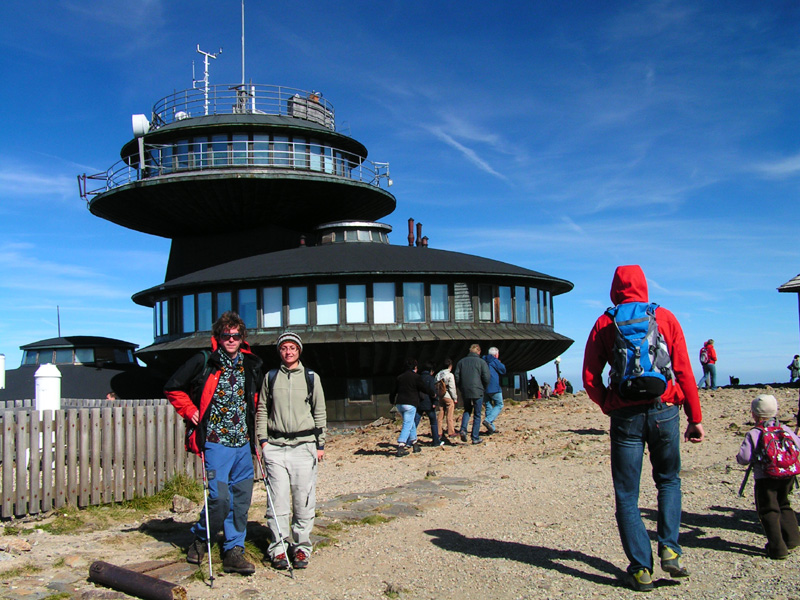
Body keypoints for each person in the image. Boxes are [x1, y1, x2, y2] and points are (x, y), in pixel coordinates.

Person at [582, 265, 704, 592]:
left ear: (614, 289)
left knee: (627, 494)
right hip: (665, 409)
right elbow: (684, 370)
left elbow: (590, 377)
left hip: (625, 415)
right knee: (668, 479)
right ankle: (670, 548)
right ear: (644, 285)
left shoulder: (605, 322)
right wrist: (695, 417)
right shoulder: (664, 317)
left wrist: (608, 403)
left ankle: (640, 569)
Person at [164, 311, 263, 575]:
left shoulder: (250, 364)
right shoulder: (205, 360)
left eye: (236, 335)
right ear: (217, 336)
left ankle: (234, 551)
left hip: (242, 444)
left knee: (241, 500)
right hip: (215, 442)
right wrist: (189, 410)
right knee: (219, 499)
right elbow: (173, 387)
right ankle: (201, 536)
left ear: (242, 337)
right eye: (226, 335)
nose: (231, 339)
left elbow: (254, 402)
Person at [256, 332, 326, 570]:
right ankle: (278, 549)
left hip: (304, 446)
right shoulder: (271, 377)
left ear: (299, 351)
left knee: (303, 499)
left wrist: (320, 444)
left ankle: (301, 548)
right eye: (284, 348)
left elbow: (319, 411)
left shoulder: (311, 377)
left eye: (292, 348)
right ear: (279, 351)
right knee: (277, 501)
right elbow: (263, 408)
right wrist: (263, 441)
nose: (288, 352)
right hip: (275, 447)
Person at [736, 394, 800, 559]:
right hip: (788, 475)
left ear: (754, 414)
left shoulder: (755, 433)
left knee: (768, 510)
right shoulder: (784, 429)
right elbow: (797, 444)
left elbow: (744, 458)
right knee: (784, 504)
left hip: (766, 478)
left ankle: (777, 548)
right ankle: (792, 539)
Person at [390, 358, 428, 456]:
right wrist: (432, 394)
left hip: (400, 404)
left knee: (411, 423)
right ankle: (401, 445)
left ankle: (415, 444)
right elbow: (423, 388)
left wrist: (392, 400)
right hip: (410, 403)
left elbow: (393, 390)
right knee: (407, 423)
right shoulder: (416, 377)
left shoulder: (400, 377)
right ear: (414, 367)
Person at [455, 344, 490, 445]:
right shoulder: (482, 362)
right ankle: (475, 437)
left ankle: (463, 429)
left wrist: (461, 387)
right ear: (478, 352)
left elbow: (457, 376)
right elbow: (487, 377)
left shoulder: (461, 362)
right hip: (478, 390)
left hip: (465, 390)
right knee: (477, 414)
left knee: (467, 410)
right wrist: (483, 387)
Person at [416, 361, 442, 447]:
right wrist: (435, 401)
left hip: (419, 403)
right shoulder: (430, 378)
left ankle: (409, 441)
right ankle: (436, 441)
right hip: (429, 403)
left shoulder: (418, 378)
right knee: (433, 423)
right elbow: (432, 391)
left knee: (415, 423)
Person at [482, 347, 506, 434]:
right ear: (496, 354)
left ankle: (491, 428)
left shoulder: (483, 360)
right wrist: (499, 362)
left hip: (484, 387)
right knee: (499, 404)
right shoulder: (494, 360)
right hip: (494, 386)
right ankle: (488, 420)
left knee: (488, 405)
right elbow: (503, 370)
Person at [436, 359, 458, 443]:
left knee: (441, 413)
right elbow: (452, 387)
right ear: (450, 366)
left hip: (440, 395)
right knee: (450, 413)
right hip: (448, 395)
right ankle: (451, 431)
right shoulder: (449, 375)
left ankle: (439, 432)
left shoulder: (438, 374)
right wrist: (455, 398)